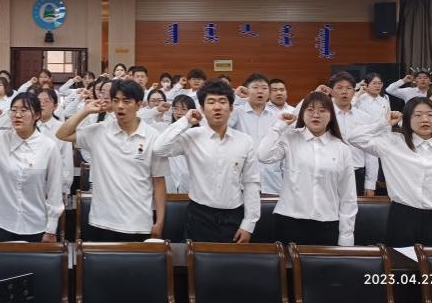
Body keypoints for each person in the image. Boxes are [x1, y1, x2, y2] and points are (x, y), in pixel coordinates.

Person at [56, 80, 169, 241]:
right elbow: (62, 134)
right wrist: (86, 111)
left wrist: (160, 222)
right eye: (116, 101)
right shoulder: (100, 131)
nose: (120, 106)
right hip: (102, 221)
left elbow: (159, 182)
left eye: (126, 101)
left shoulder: (153, 136)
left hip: (138, 222)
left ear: (138, 105)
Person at [347, 98, 432, 247]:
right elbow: (354, 137)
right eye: (418, 115)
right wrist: (383, 123)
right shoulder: (392, 143)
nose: (425, 119)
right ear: (407, 118)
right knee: (399, 262)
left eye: (430, 115)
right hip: (402, 217)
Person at [155, 81, 259, 243]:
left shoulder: (245, 141)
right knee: (194, 258)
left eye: (222, 101)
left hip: (234, 216)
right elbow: (159, 149)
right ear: (202, 109)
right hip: (199, 216)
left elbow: (251, 183)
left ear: (231, 108)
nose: (217, 107)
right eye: (211, 102)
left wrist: (248, 224)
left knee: (233, 259)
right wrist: (186, 121)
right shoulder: (192, 136)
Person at [258, 92, 357, 246]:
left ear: (331, 115)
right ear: (302, 113)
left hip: (327, 223)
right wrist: (279, 125)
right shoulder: (290, 138)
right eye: (310, 109)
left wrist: (346, 236)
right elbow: (263, 155)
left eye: (322, 110)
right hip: (289, 220)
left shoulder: (342, 148)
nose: (316, 115)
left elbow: (348, 196)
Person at [0, 93, 63, 242]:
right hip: (1, 223)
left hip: (36, 225)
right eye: (14, 110)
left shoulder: (48, 146)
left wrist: (51, 229)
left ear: (36, 115)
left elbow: (54, 190)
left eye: (24, 110)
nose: (17, 115)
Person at [322, 72, 378, 196]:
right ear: (331, 91)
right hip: (327, 172)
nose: (344, 92)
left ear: (354, 91)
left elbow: (371, 152)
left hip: (356, 172)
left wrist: (370, 183)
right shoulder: (323, 115)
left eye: (348, 88)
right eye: (339, 88)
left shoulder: (364, 117)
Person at [230, 73, 284, 195]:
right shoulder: (237, 112)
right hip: (242, 181)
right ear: (246, 90)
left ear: (269, 92)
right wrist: (236, 98)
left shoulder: (277, 116)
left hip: (271, 181)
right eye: (255, 87)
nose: (260, 91)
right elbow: (222, 126)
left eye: (264, 88)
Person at [36, 88, 74, 196]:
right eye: (38, 101)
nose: (41, 104)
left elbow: (66, 159)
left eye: (46, 101)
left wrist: (63, 187)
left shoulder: (62, 128)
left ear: (55, 106)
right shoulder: (29, 126)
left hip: (54, 185)